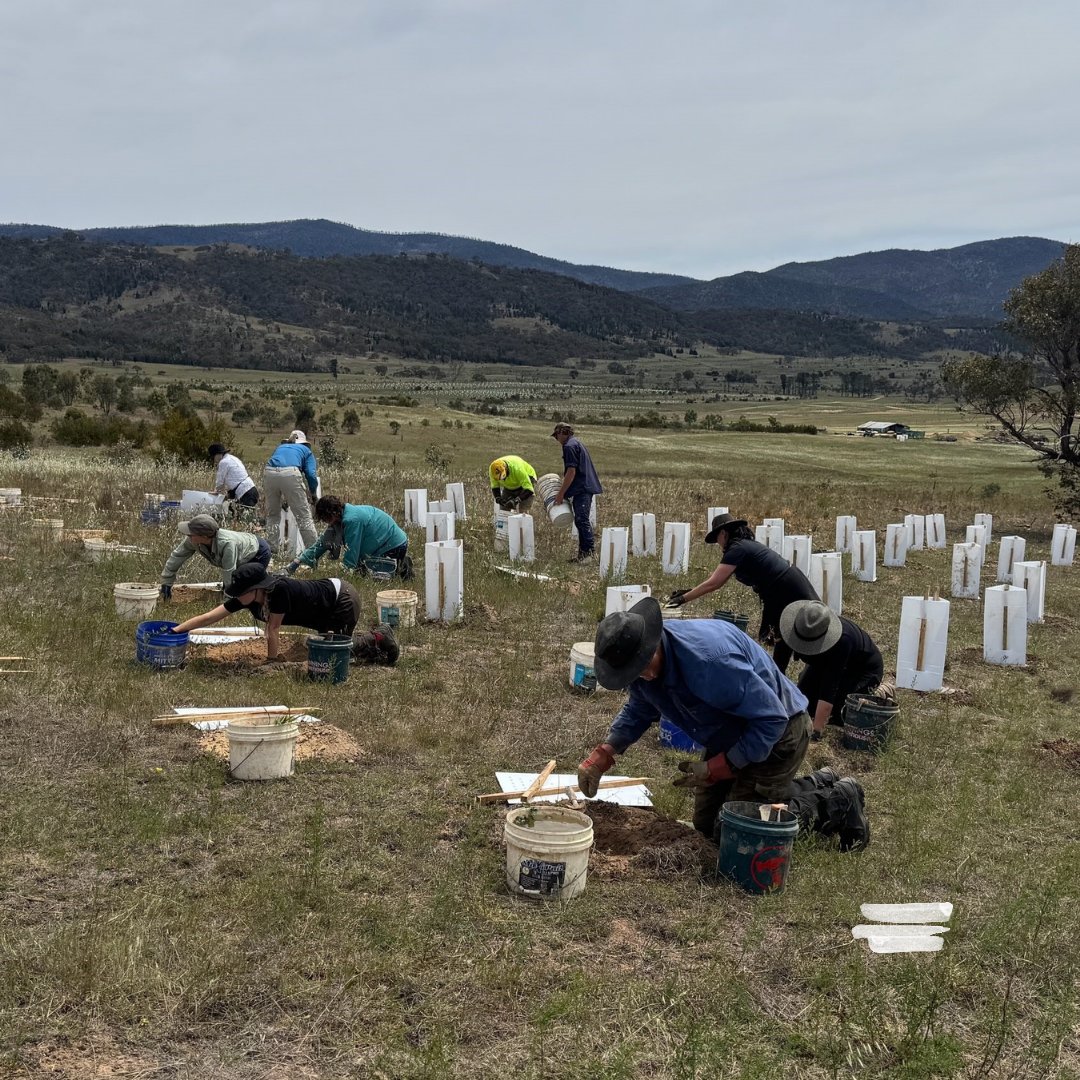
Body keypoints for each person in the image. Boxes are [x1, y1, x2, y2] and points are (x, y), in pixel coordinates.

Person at [576, 597, 869, 851]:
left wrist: (722, 767)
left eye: (640, 669)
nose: (640, 677)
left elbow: (772, 718)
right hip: (729, 736)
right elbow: (639, 707)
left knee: (736, 832)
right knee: (704, 828)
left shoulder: (710, 663)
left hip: (778, 735)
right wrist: (606, 752)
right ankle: (811, 783)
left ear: (652, 647)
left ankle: (837, 800)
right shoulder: (643, 669)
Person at [666, 513, 818, 674]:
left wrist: (683, 598)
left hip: (786, 588)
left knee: (804, 630)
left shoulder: (737, 549)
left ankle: (802, 672)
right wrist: (688, 592)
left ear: (723, 533)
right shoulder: (742, 546)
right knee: (784, 634)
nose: (718, 543)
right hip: (783, 587)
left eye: (717, 538)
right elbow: (717, 581)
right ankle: (778, 674)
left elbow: (714, 583)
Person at [170, 562, 398, 666]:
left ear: (256, 589)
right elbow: (210, 616)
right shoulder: (247, 599)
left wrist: (271, 661)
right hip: (322, 609)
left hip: (341, 598)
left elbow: (273, 629)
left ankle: (379, 637)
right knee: (325, 648)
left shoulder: (279, 591)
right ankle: (365, 642)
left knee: (334, 655)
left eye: (242, 593)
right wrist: (176, 630)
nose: (238, 597)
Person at [779, 600, 885, 741]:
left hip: (861, 670)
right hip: (824, 663)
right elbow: (779, 662)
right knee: (805, 703)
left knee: (840, 714)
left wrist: (816, 732)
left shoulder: (842, 642)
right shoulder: (797, 625)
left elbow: (830, 687)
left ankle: (880, 692)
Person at [286, 496, 412, 580]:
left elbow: (352, 552)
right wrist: (297, 562)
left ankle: (403, 566)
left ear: (332, 513)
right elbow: (322, 543)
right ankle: (398, 564)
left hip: (393, 545)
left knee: (374, 577)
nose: (325, 522)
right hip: (381, 544)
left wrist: (341, 578)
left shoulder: (352, 520)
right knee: (361, 572)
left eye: (325, 518)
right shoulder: (339, 520)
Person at [159, 514, 271, 598]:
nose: (188, 536)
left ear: (204, 536)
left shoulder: (227, 544)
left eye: (190, 534)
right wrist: (166, 583)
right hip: (242, 546)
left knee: (248, 592)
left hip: (258, 552)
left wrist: (228, 601)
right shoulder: (193, 540)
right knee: (235, 588)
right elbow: (177, 556)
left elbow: (229, 571)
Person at [551, 423, 603, 562]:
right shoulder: (575, 443)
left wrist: (561, 493)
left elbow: (571, 471)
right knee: (580, 521)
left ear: (563, 432)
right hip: (583, 486)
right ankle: (583, 554)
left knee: (582, 520)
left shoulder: (569, 446)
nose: (556, 439)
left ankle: (589, 554)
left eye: (556, 435)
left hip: (583, 488)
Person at [263, 430, 319, 553]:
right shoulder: (306, 451)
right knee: (303, 517)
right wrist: (313, 493)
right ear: (304, 443)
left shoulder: (280, 447)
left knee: (273, 514)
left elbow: (279, 470)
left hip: (269, 471)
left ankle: (272, 550)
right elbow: (311, 474)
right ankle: (313, 552)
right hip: (291, 473)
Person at [208, 442, 258, 511]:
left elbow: (220, 482)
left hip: (245, 493)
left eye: (213, 457)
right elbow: (236, 480)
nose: (214, 460)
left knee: (242, 518)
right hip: (250, 490)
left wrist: (217, 491)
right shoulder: (233, 458)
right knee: (234, 512)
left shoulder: (223, 462)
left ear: (218, 454)